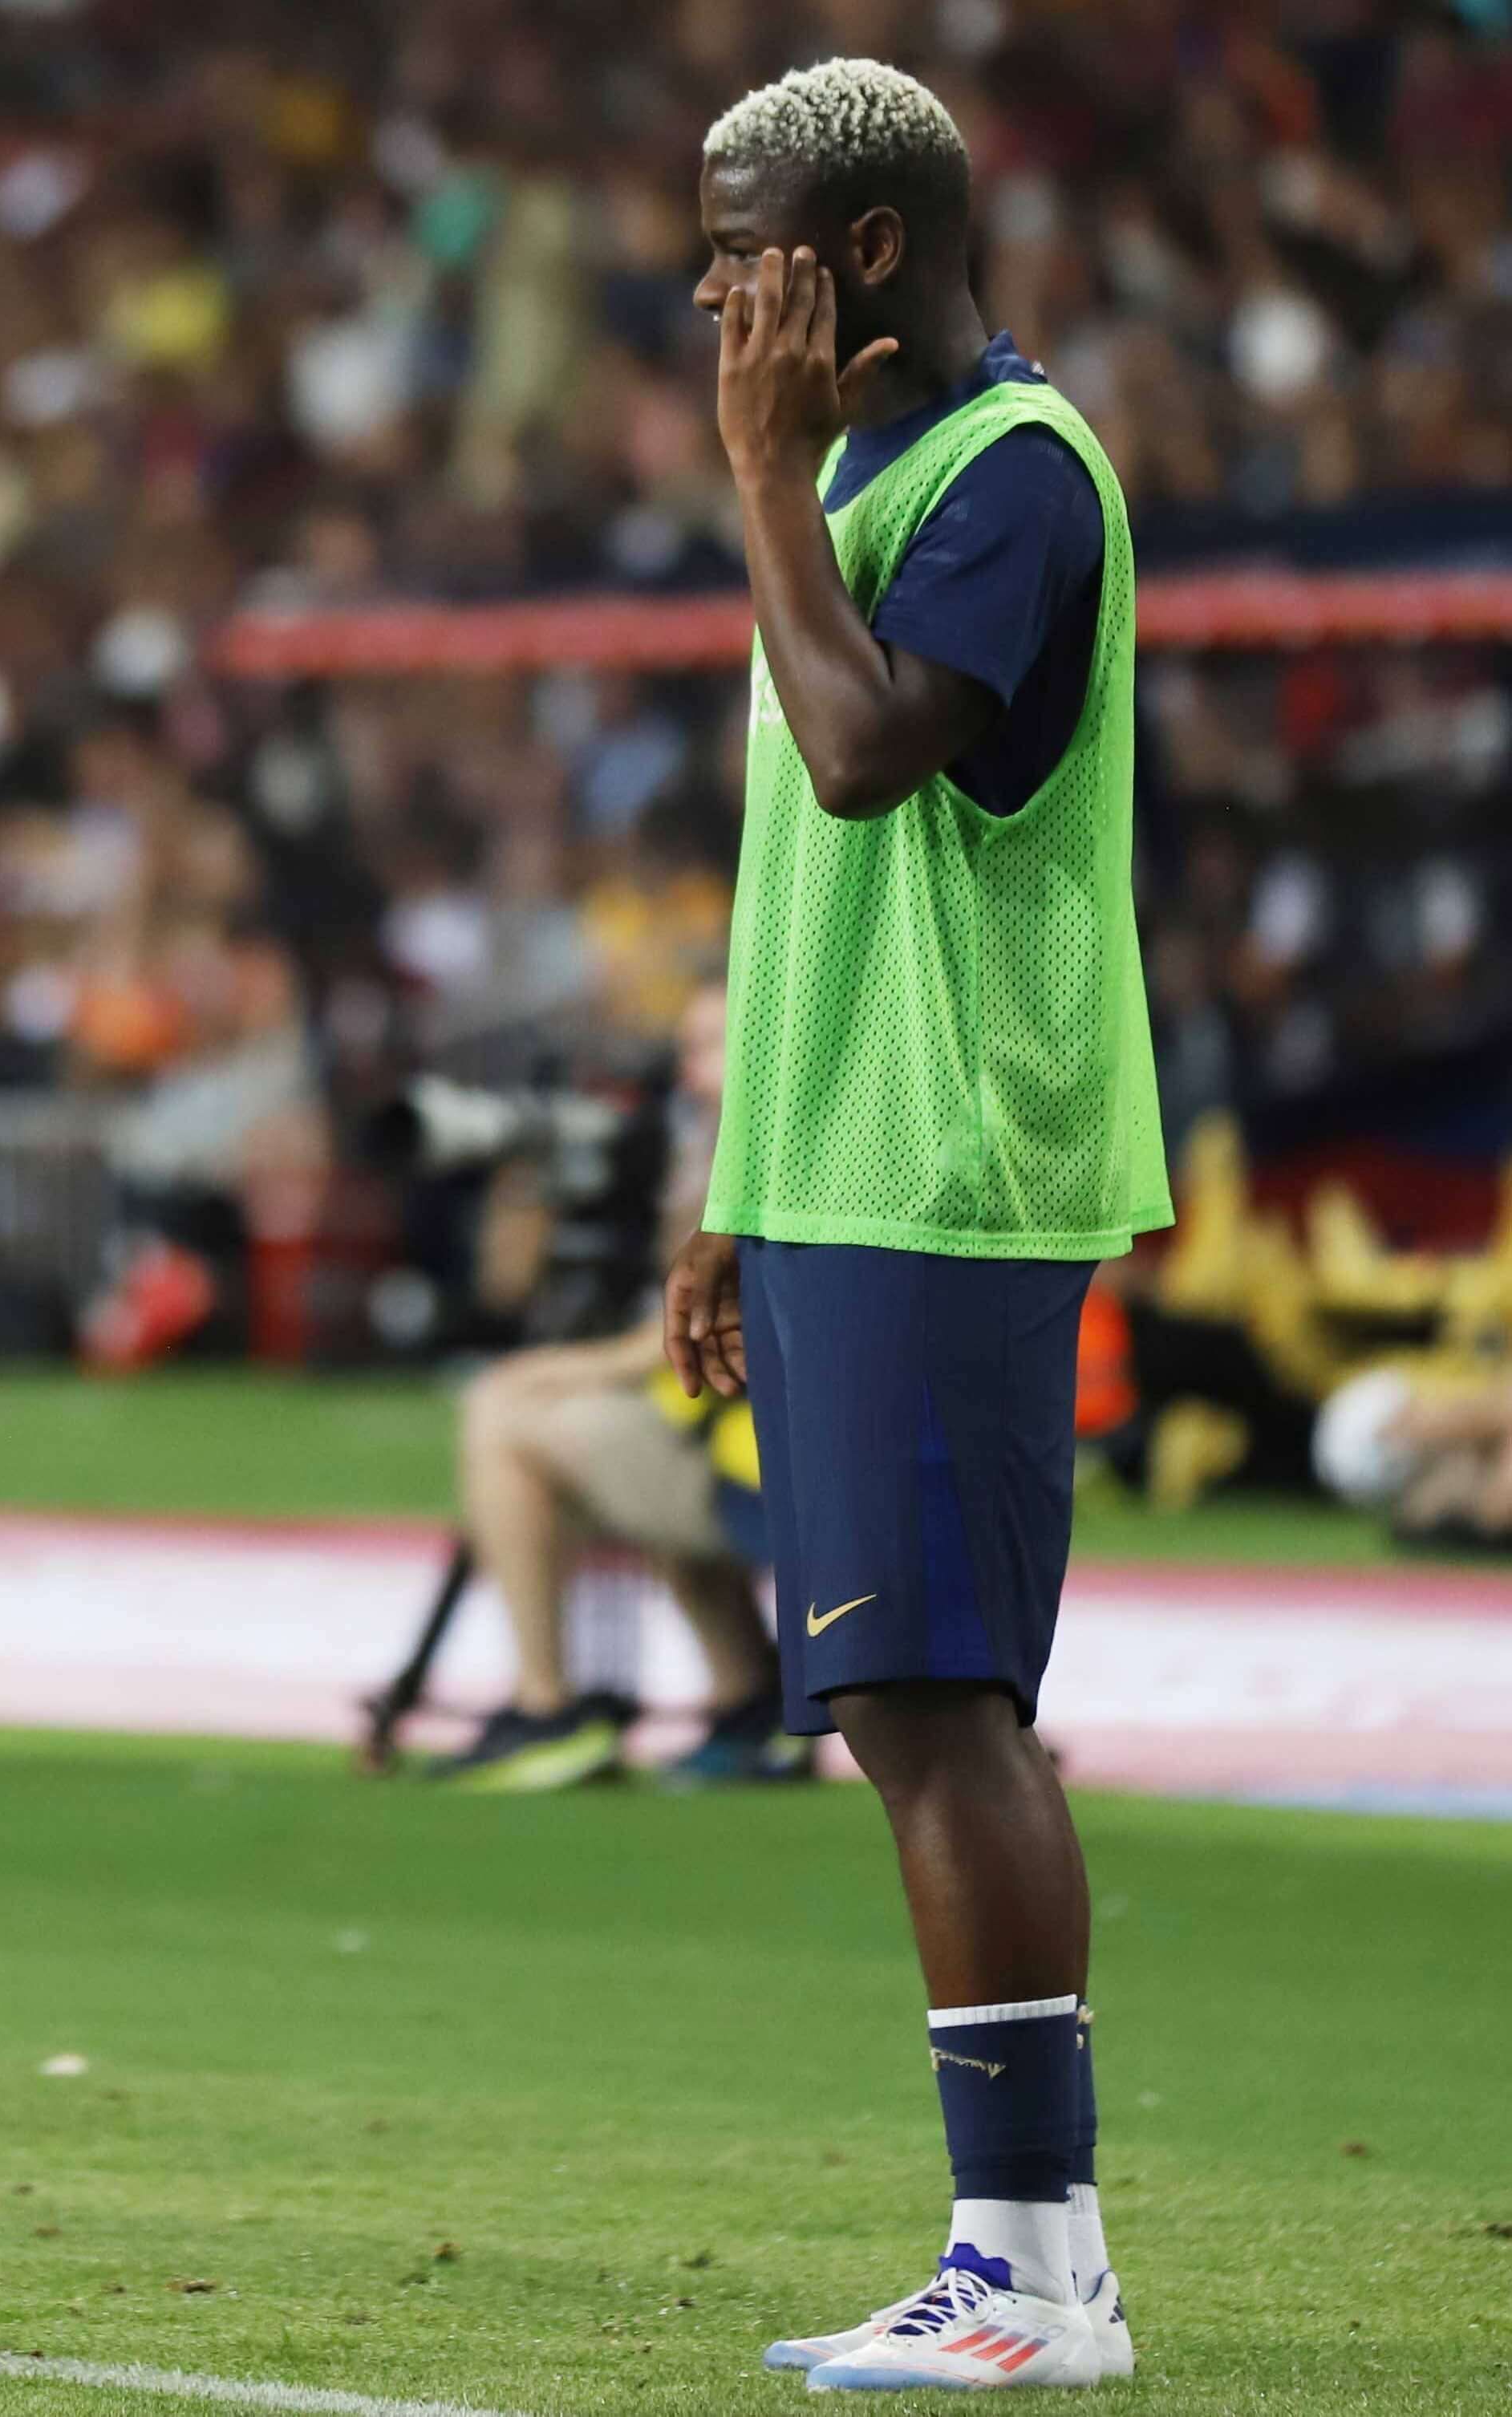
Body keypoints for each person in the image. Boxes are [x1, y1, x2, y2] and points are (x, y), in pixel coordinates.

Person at [663, 61, 1168, 2391]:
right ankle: (1016, 2250)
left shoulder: (1009, 479)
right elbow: (817, 880)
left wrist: (764, 478)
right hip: (841, 1168)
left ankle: (1038, 2264)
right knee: (907, 1697)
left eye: (743, 244)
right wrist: (731, 1178)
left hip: (954, 1169)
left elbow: (873, 751)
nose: (711, 291)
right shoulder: (867, 475)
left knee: (944, 1701)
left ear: (862, 250)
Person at [430, 984, 806, 1791]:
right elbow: (506, 1280)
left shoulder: (776, 1154)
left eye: (714, 1049)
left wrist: (566, 1368)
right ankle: (751, 1703)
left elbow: (711, 1319)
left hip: (776, 1472)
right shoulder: (713, 1149)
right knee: (639, 1422)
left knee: (503, 1413)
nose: (694, 1076)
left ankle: (547, 1706)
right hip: (764, 1448)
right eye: (688, 1053)